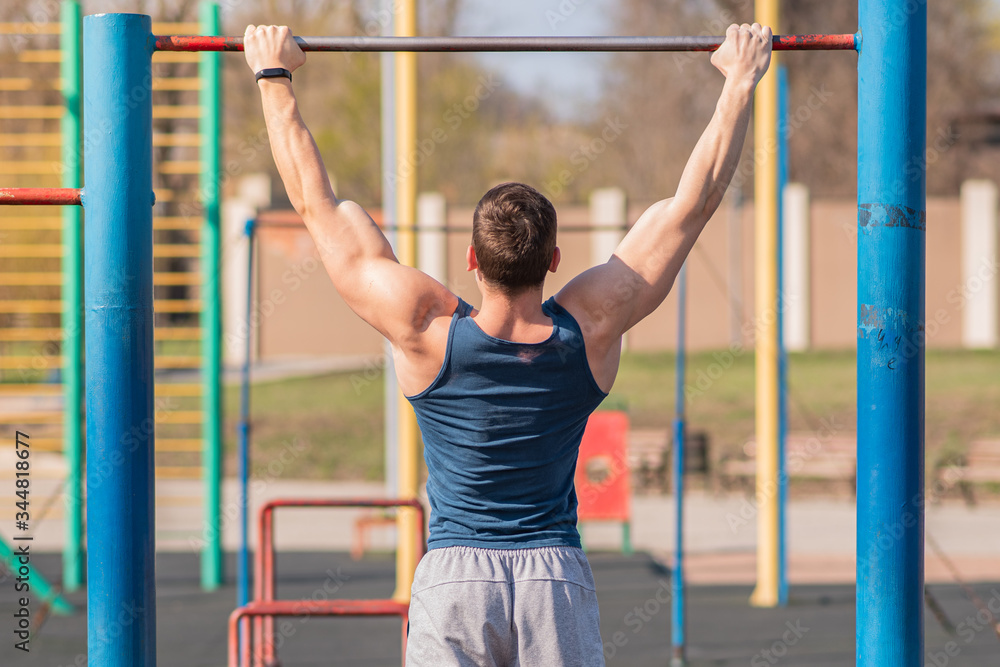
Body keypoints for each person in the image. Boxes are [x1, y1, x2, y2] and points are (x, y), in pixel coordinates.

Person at [244, 21, 772, 667]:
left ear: (471, 257)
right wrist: (740, 82)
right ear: (553, 258)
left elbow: (315, 206)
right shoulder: (591, 326)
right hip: (555, 577)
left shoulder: (424, 330)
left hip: (454, 578)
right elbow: (692, 205)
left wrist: (274, 77)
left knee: (342, 220)